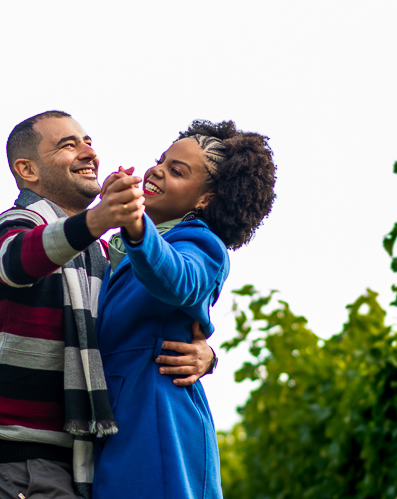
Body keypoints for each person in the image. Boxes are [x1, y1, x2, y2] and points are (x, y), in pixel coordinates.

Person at [0, 111, 217, 499]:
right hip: (13, 454)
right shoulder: (12, 225)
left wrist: (206, 355)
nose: (88, 152)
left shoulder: (101, 255)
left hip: (73, 461)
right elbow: (16, 262)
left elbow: (126, 328)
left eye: (88, 141)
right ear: (27, 170)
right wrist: (98, 220)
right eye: (68, 144)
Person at [94, 120, 276, 499]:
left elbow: (180, 280)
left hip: (160, 431)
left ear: (205, 199)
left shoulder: (202, 245)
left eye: (176, 171)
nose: (157, 170)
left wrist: (137, 227)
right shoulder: (117, 250)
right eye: (161, 160)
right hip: (116, 428)